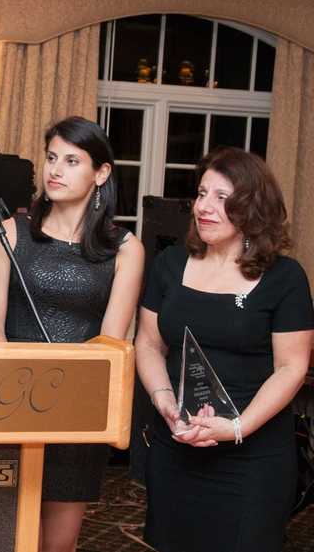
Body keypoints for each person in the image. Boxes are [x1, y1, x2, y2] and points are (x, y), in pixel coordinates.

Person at [135, 147, 314, 552]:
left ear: (253, 207)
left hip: (253, 459)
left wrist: (237, 428)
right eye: (201, 194)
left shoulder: (285, 278)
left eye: (222, 197)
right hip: (177, 446)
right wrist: (165, 402)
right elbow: (147, 342)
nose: (205, 207)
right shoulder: (169, 263)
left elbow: (291, 368)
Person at [0, 115, 145, 552]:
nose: (55, 170)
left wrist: (69, 398)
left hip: (76, 411)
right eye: (52, 158)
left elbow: (112, 341)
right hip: (10, 405)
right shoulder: (8, 233)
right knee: (8, 538)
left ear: (101, 172)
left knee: (58, 545)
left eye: (72, 161)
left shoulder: (125, 249)